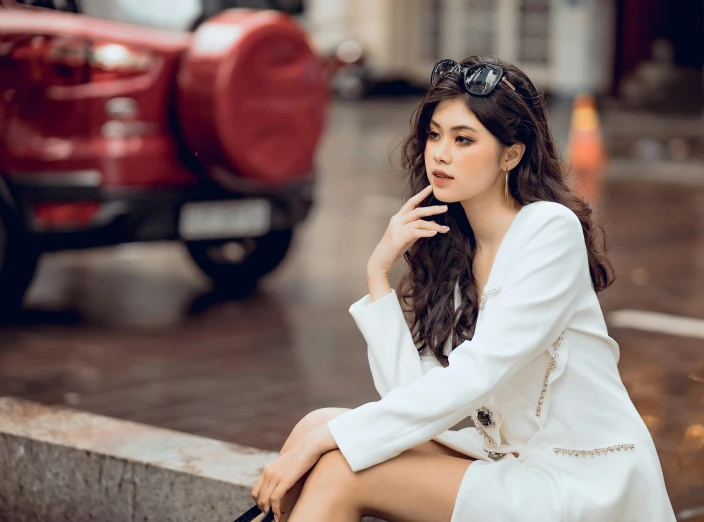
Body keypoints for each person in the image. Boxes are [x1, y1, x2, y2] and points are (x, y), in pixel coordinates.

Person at [251, 55, 676, 522]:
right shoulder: (459, 254)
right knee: (319, 424)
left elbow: (476, 375)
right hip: (514, 461)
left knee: (338, 467)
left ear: (511, 155)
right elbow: (409, 396)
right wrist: (378, 273)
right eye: (434, 135)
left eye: (463, 139)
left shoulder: (547, 230)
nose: (440, 153)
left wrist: (333, 440)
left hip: (584, 479)